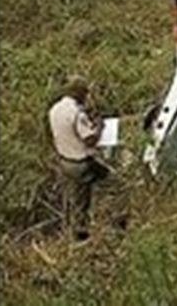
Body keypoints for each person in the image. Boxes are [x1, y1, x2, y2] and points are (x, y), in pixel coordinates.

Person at [48, 76, 110, 240]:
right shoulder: (76, 113)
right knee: (84, 200)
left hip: (64, 160)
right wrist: (99, 128)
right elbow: (90, 139)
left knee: (71, 196)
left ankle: (68, 227)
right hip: (80, 163)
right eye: (85, 93)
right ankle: (80, 235)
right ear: (79, 93)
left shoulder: (55, 109)